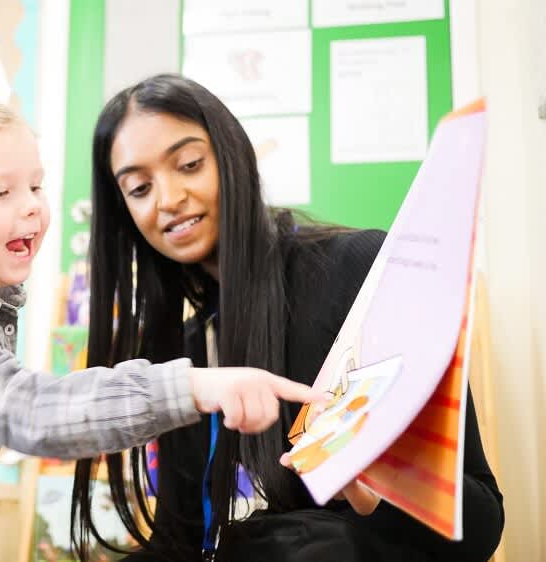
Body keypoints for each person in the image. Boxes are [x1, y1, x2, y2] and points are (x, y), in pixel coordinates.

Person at [0, 94, 324, 562]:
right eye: (1, 193)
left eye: (36, 186)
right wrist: (196, 384)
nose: (33, 205)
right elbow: (28, 410)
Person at [72, 74, 505, 562]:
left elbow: (481, 518)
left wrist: (378, 486)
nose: (168, 198)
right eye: (139, 188)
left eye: (189, 164)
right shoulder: (185, 350)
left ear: (233, 156)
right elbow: (183, 540)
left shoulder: (360, 272)